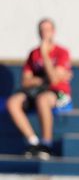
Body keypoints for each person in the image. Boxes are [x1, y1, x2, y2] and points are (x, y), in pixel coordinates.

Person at [6, 18, 73, 160]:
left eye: (47, 30)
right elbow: (25, 81)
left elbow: (54, 80)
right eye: (42, 30)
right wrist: (44, 79)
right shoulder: (33, 54)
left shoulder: (62, 52)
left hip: (58, 93)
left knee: (42, 100)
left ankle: (46, 145)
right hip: (36, 91)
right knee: (13, 102)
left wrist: (45, 54)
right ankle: (34, 142)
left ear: (53, 32)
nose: (44, 33)